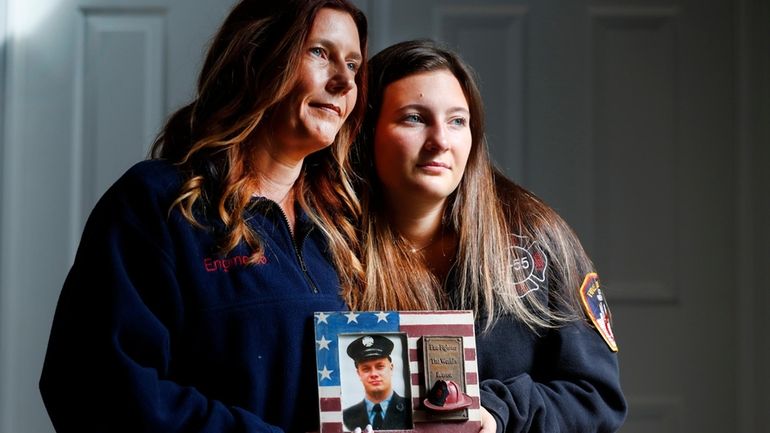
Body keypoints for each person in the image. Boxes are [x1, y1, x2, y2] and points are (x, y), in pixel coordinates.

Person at [39, 1, 367, 432]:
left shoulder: (342, 227)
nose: (344, 81)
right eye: (320, 53)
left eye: (354, 64)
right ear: (257, 56)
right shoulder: (157, 203)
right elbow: (95, 385)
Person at [347, 39, 628, 432]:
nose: (440, 141)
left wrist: (497, 413)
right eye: (414, 118)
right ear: (364, 131)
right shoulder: (329, 244)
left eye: (457, 121)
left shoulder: (534, 239)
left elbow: (596, 398)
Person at [343, 335, 412, 431]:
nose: (374, 374)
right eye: (366, 369)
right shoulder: (347, 416)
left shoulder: (410, 408)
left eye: (380, 366)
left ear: (391, 368)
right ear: (359, 373)